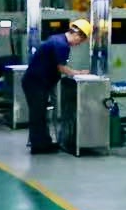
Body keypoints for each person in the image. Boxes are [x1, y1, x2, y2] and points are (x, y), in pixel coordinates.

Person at [22, 19, 90, 154]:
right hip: (36, 83)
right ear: (78, 35)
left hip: (38, 82)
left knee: (40, 114)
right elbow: (62, 68)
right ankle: (39, 146)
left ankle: (43, 142)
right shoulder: (61, 45)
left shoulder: (57, 39)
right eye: (80, 42)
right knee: (38, 114)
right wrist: (79, 73)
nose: (78, 45)